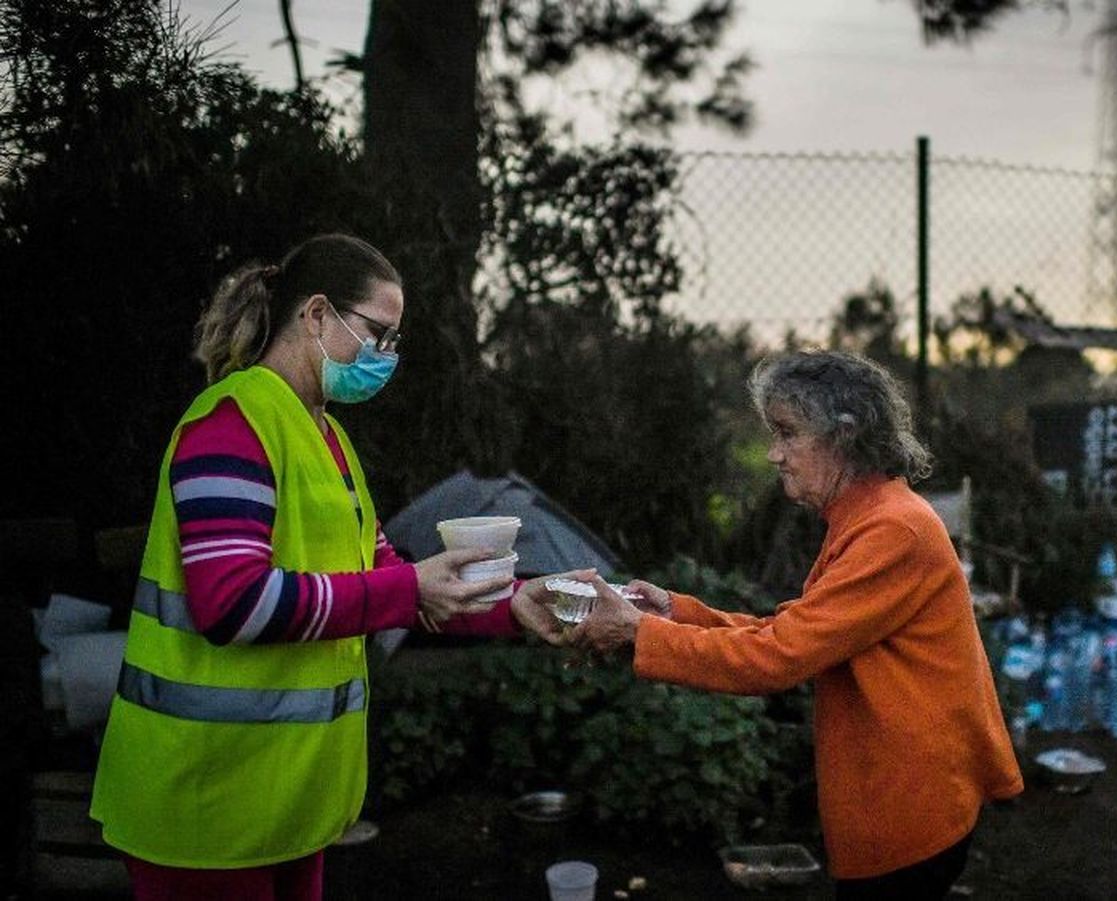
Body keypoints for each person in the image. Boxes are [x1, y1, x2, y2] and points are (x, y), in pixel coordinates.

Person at [91, 234, 568, 900]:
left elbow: (393, 582)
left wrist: (519, 601)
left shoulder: (328, 437)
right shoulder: (231, 424)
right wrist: (405, 586)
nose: (385, 357)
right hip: (204, 807)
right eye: (377, 333)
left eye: (394, 341)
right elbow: (233, 603)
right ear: (316, 315)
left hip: (290, 807)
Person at [523, 349, 1024, 899]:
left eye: (788, 433)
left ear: (845, 434)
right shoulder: (869, 516)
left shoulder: (892, 531)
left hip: (909, 802)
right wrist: (670, 612)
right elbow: (795, 632)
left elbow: (779, 656)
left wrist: (640, 633)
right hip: (900, 795)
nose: (773, 454)